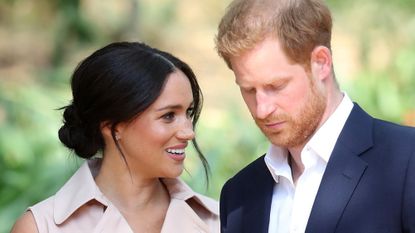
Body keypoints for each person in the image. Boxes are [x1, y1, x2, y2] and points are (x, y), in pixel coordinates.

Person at [215, 0, 415, 232]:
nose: (262, 109)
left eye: (276, 85)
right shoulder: (238, 194)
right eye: (249, 90)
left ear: (321, 62)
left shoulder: (407, 160)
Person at [11, 42, 219, 233]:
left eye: (189, 113)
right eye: (168, 116)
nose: (188, 132)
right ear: (112, 125)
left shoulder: (220, 222)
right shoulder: (41, 227)